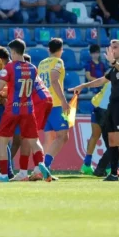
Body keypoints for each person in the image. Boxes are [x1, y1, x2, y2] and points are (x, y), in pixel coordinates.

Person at [69, 40, 119, 181]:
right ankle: (113, 173)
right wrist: (83, 85)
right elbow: (101, 80)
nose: (113, 49)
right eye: (111, 47)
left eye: (116, 47)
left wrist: (114, 62)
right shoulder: (113, 69)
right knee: (112, 140)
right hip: (112, 105)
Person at [0, 43, 52, 182]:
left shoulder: (9, 67)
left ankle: (3, 175)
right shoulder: (33, 68)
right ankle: (41, 164)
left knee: (2, 141)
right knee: (34, 141)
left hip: (12, 110)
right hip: (28, 109)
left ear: (13, 52)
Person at [37, 38, 69, 173]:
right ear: (61, 50)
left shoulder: (42, 63)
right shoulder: (58, 61)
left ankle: (39, 170)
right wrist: (63, 101)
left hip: (44, 104)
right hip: (55, 104)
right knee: (63, 136)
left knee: (49, 138)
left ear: (48, 49)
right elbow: (54, 80)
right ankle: (46, 165)